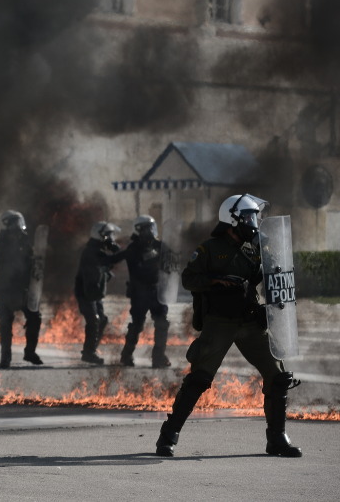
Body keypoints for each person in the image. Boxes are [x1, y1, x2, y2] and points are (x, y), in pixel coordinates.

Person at [155, 194, 302, 458]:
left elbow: (275, 276)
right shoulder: (210, 248)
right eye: (247, 217)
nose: (252, 222)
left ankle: (277, 439)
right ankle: (168, 436)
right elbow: (188, 279)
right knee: (200, 378)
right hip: (220, 322)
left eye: (254, 217)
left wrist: (275, 262)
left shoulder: (256, 248)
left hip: (249, 320)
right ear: (231, 220)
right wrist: (216, 280)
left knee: (278, 376)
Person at [0, 210, 43, 369]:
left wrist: (36, 278)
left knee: (35, 318)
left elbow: (36, 267)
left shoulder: (28, 245)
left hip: (25, 292)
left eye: (17, 222)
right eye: (12, 223)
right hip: (6, 292)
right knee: (5, 325)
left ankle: (30, 352)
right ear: (6, 225)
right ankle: (5, 358)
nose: (16, 227)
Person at [119, 215, 171, 369]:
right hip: (140, 293)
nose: (149, 231)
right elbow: (137, 269)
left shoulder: (160, 245)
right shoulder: (134, 248)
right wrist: (152, 259)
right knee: (136, 325)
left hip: (157, 291)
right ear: (139, 230)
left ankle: (158, 357)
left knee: (162, 323)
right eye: (145, 228)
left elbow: (169, 265)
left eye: (150, 227)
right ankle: (126, 355)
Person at [74, 221, 123, 365]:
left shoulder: (98, 249)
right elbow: (106, 263)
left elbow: (106, 265)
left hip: (94, 292)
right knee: (94, 320)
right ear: (101, 235)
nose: (111, 238)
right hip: (86, 292)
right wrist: (122, 254)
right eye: (108, 235)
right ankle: (89, 353)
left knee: (102, 320)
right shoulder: (91, 251)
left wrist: (114, 251)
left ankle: (90, 350)